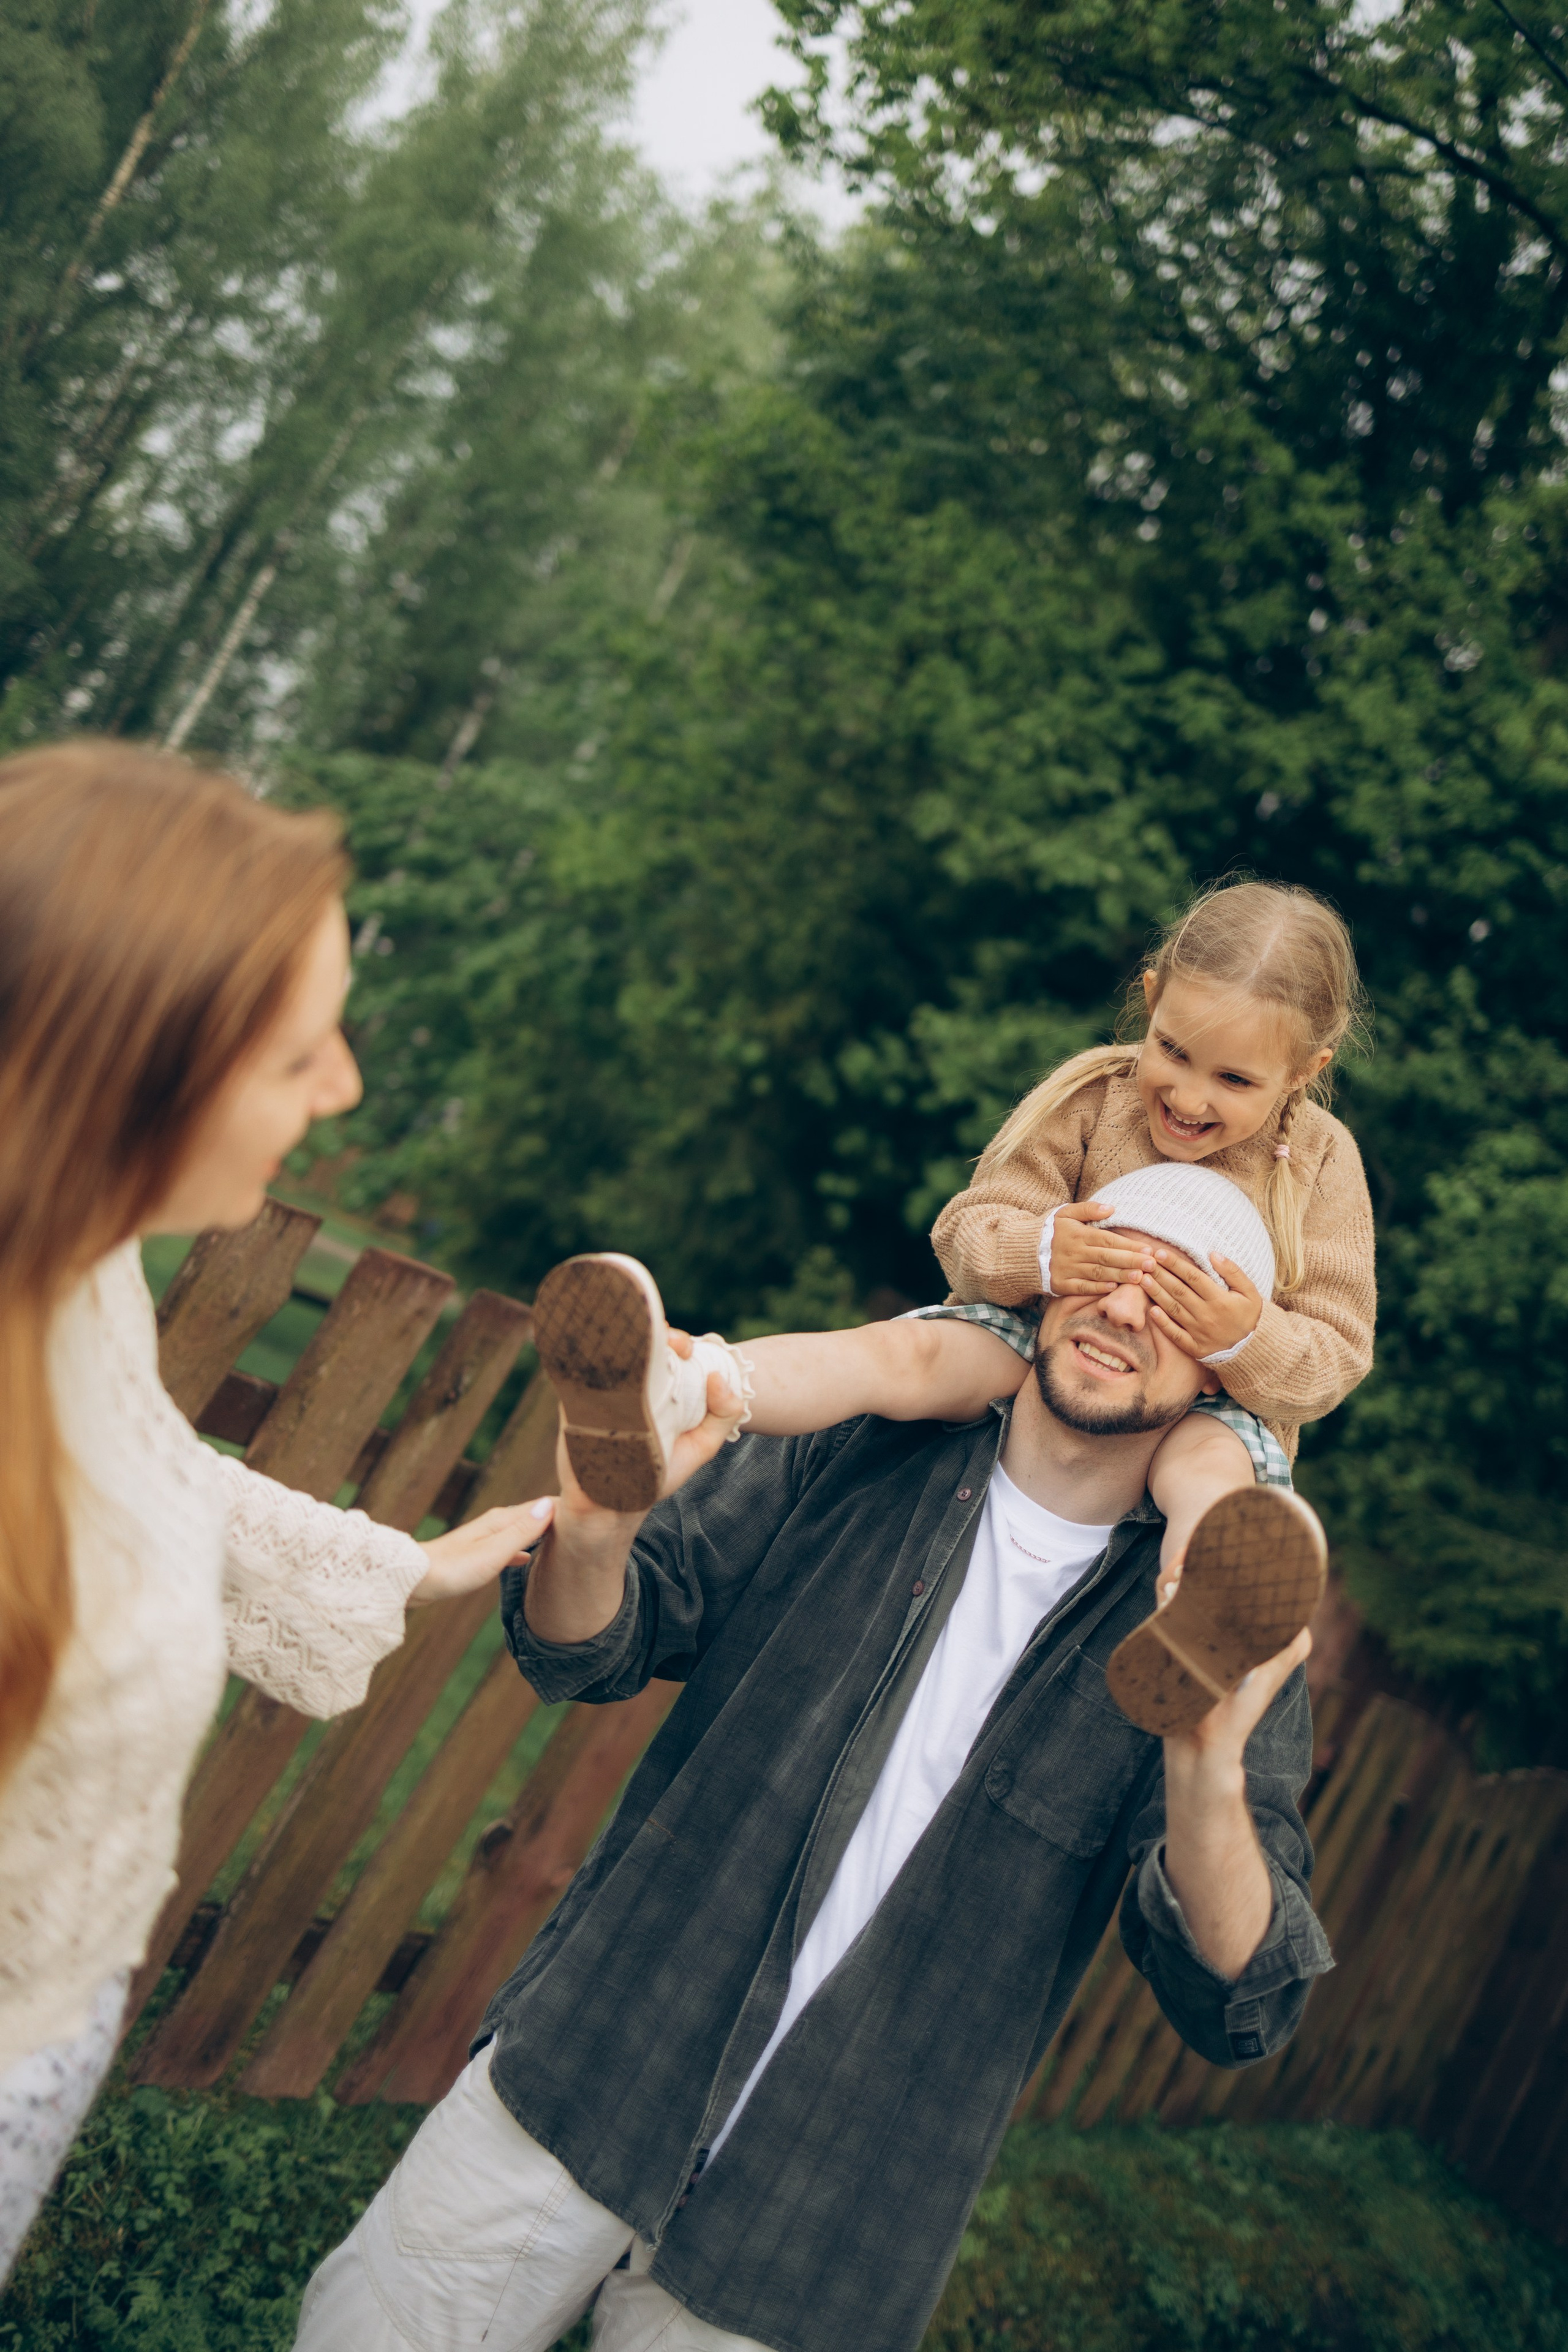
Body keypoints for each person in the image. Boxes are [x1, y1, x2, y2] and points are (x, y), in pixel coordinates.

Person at [295, 1166, 1333, 2352]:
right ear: (1049, 1283)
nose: (1126, 1309)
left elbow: (1242, 1997)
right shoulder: (857, 1443)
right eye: (1108, 1266)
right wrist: (593, 1532)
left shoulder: (1217, 1623)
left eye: (1178, 1299)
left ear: (1222, 1374)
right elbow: (591, 1648)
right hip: (604, 2046)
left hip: (830, 2215)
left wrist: (1202, 1766)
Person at [0, 741, 744, 2283]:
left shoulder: (69, 1275)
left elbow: (114, 1472)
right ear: (128, 1067)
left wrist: (397, 1564)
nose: (343, 1087)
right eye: (297, 1057)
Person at [536, 875, 1374, 1712]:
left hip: (1205, 1397)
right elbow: (969, 1230)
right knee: (905, 1351)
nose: (1189, 1098)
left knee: (1212, 1469)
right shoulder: (1093, 1099)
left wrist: (1243, 1336)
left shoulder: (1323, 1164)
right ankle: (689, 1387)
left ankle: (1199, 1611)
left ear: (1305, 1071)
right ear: (1149, 1000)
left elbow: (1337, 1353)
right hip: (1030, 1341)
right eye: (1174, 1051)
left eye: (1234, 1081)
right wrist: (1041, 1253)